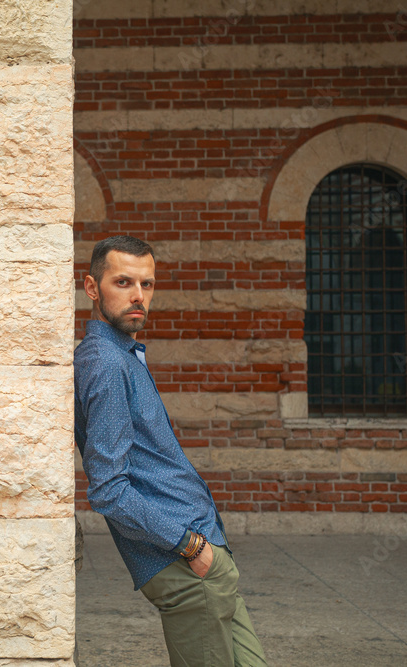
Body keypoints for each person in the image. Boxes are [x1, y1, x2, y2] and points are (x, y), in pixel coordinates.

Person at [74, 235, 267, 667]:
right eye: (123, 282)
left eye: (147, 284)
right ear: (92, 288)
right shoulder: (105, 363)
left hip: (206, 558)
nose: (138, 296)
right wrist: (190, 546)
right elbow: (108, 488)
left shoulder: (124, 355)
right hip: (185, 562)